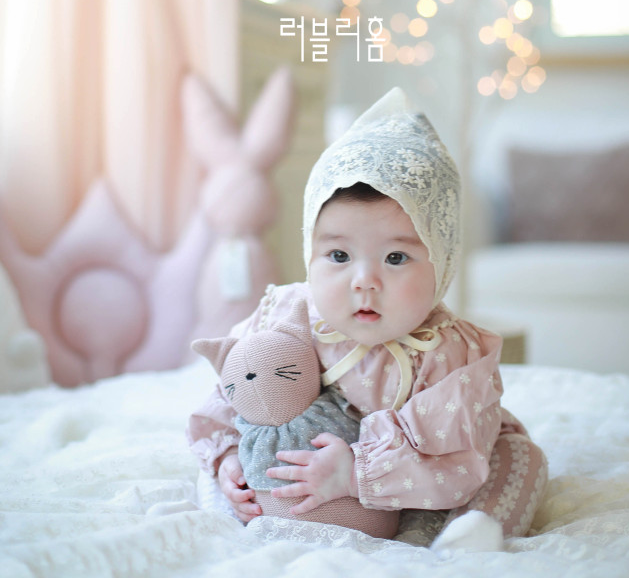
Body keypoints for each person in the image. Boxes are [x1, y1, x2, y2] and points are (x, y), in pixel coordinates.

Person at [186, 88, 548, 541]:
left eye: (396, 258)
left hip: (426, 476)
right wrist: (228, 459)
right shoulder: (287, 315)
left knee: (518, 459)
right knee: (218, 464)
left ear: (441, 262)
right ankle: (235, 503)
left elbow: (459, 459)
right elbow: (234, 390)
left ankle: (474, 533)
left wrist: (357, 472)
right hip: (305, 477)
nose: (364, 281)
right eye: (339, 255)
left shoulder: (447, 352)